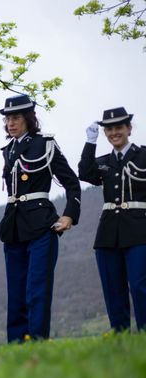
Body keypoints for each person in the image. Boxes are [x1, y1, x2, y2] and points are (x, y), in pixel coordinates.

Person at [0, 94, 81, 342]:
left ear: (28, 118)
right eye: (8, 119)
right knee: (16, 289)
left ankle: (36, 340)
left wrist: (70, 215)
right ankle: (15, 342)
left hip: (41, 224)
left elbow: (71, 183)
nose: (11, 123)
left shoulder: (45, 144)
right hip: (13, 226)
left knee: (37, 287)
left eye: (16, 118)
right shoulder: (8, 150)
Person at [78, 107, 146, 332]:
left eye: (119, 127)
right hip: (108, 233)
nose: (114, 132)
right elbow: (85, 172)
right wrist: (90, 142)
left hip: (139, 231)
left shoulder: (143, 156)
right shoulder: (104, 161)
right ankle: (121, 334)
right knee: (113, 287)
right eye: (109, 129)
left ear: (129, 129)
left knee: (139, 285)